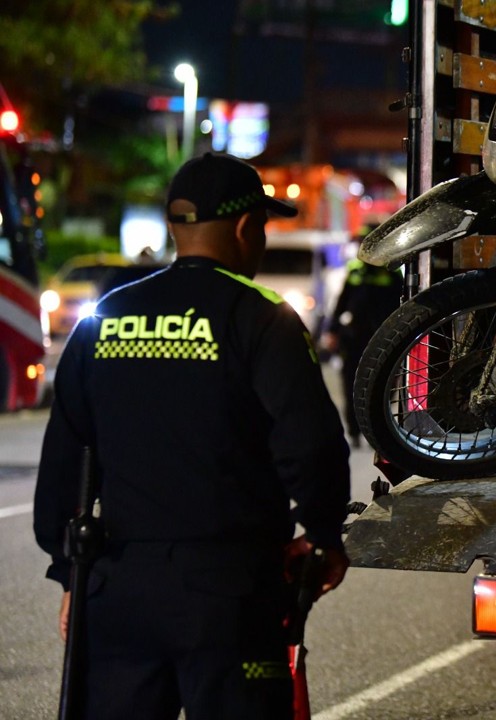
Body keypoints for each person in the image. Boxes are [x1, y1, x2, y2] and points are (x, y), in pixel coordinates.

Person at [34, 152, 352, 720]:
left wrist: (69, 575)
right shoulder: (261, 317)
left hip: (117, 588)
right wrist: (323, 535)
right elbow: (312, 444)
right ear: (243, 227)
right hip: (229, 592)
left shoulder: (104, 318)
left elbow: (64, 459)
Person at [323, 250, 403, 447]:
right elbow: (341, 303)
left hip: (383, 338)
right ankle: (354, 431)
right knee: (351, 383)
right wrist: (333, 330)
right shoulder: (355, 271)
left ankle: (376, 430)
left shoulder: (392, 273)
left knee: (384, 385)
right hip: (354, 337)